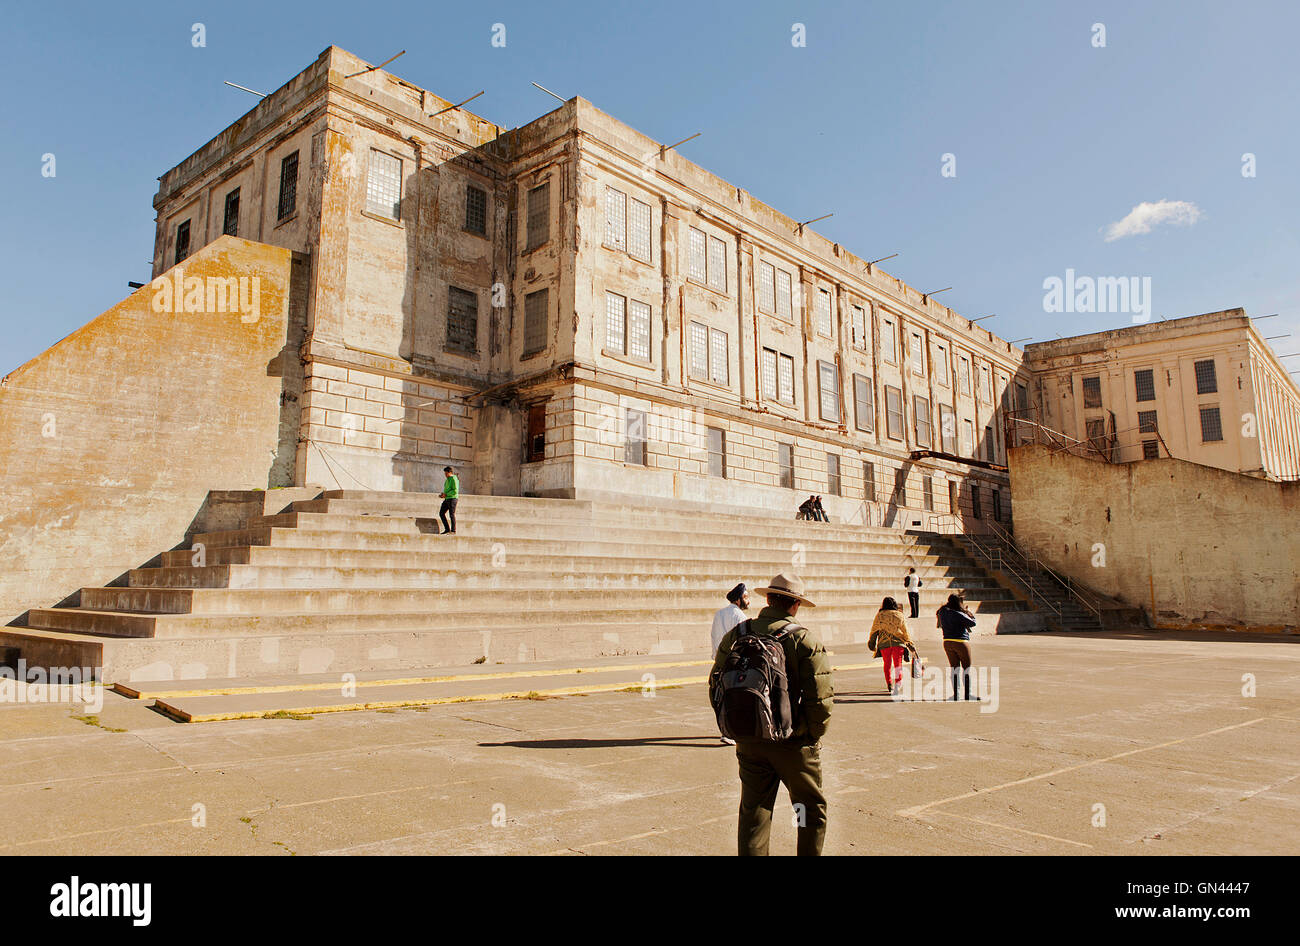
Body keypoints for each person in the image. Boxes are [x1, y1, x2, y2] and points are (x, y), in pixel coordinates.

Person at [709, 572, 834, 856]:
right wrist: (809, 734)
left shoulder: (739, 634)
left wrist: (738, 725)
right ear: (795, 605)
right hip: (793, 743)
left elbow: (716, 681)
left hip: (750, 739)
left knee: (754, 812)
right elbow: (821, 699)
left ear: (768, 599)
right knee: (808, 811)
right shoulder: (803, 639)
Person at [710, 583, 750, 746]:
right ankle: (729, 733)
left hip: (719, 661)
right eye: (746, 597)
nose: (748, 601)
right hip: (734, 663)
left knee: (718, 696)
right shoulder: (739, 616)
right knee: (734, 698)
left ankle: (725, 729)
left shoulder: (719, 614)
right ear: (738, 600)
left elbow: (714, 637)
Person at [867, 596, 918, 695]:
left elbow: (874, 630)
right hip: (898, 643)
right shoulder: (899, 615)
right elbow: (905, 631)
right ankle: (898, 685)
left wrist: (871, 643)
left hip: (884, 643)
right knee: (898, 665)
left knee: (887, 664)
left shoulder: (880, 615)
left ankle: (889, 683)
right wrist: (909, 642)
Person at [937, 593, 978, 701]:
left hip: (947, 641)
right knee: (966, 669)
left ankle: (956, 694)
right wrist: (968, 612)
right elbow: (973, 623)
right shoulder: (958, 613)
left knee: (954, 669)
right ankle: (967, 694)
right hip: (961, 641)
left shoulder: (942, 612)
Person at [438, 466, 459, 534]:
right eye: (445, 474)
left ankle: (453, 530)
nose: (445, 475)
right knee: (441, 513)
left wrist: (446, 494)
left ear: (450, 472)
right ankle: (447, 529)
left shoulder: (454, 479)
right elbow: (447, 490)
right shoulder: (447, 480)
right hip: (447, 499)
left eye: (446, 473)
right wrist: (443, 495)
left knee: (451, 514)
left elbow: (455, 491)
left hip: (453, 499)